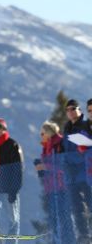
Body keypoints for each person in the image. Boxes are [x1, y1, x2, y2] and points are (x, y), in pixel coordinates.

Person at [34, 121, 75, 243]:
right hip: (52, 187)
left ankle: (69, 241)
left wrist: (45, 166)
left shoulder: (59, 143)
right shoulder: (47, 147)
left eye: (42, 133)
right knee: (55, 219)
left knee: (65, 218)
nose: (41, 136)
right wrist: (40, 169)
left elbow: (63, 166)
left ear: (48, 132)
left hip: (63, 186)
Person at [61, 99, 92, 243]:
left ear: (80, 110)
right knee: (76, 206)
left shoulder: (86, 125)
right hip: (71, 174)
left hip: (85, 172)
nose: (70, 111)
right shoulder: (67, 128)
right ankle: (83, 235)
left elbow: (86, 148)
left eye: (73, 108)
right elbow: (65, 151)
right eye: (67, 109)